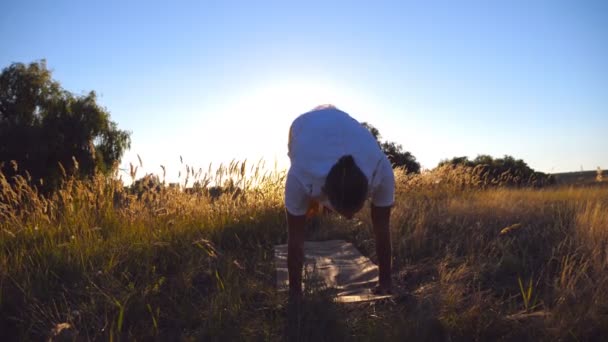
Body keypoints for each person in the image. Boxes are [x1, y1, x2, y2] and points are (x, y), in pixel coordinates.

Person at [285, 104, 395, 301]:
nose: (351, 218)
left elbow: (382, 228)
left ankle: (321, 205)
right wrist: (295, 295)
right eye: (345, 212)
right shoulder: (299, 175)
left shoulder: (381, 168)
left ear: (368, 187)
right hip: (303, 127)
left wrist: (385, 281)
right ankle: (314, 204)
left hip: (343, 125)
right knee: (304, 208)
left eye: (354, 210)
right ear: (325, 192)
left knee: (380, 222)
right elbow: (295, 240)